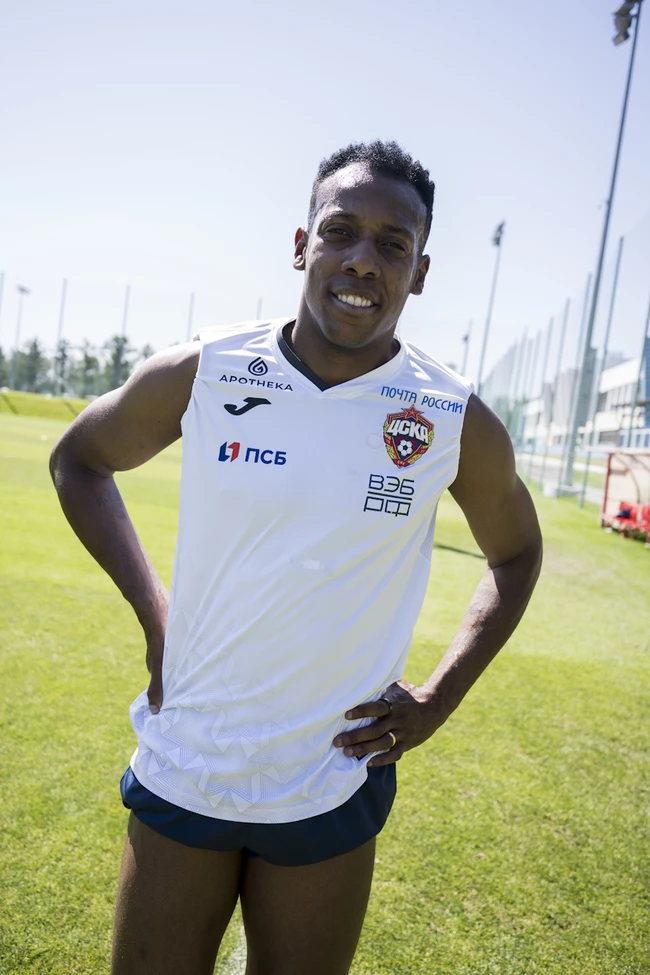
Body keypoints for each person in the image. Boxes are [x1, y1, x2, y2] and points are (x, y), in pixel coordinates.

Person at [50, 140, 542, 975]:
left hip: (331, 774)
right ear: (301, 245)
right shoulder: (208, 369)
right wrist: (154, 613)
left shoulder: (449, 416)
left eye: (393, 243)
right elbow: (79, 459)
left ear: (420, 272)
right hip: (192, 755)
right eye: (340, 230)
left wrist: (437, 697)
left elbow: (517, 552)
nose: (362, 260)